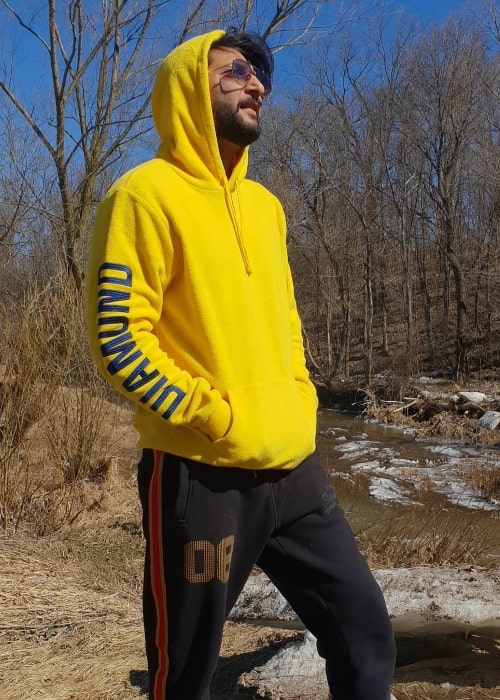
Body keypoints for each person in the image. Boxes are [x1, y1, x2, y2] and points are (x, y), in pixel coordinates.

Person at [87, 27, 396, 700]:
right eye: (237, 71)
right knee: (187, 675)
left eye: (262, 74)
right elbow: (118, 339)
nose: (257, 83)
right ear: (190, 86)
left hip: (293, 468)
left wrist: (300, 398)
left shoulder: (266, 208)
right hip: (202, 477)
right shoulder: (143, 196)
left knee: (364, 632)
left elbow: (286, 325)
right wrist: (211, 414)